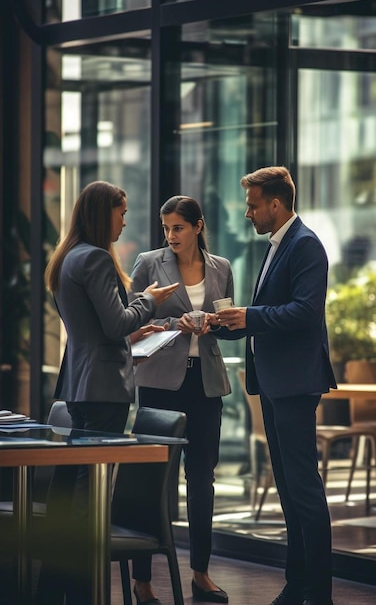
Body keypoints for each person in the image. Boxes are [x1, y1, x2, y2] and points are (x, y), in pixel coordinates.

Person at [40, 180, 178, 605]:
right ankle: (84, 590)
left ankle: (53, 589)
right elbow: (116, 324)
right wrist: (149, 300)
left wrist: (132, 326)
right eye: (121, 212)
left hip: (79, 385)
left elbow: (97, 328)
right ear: (104, 214)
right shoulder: (97, 258)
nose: (124, 220)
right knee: (90, 495)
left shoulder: (66, 259)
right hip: (104, 391)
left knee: (70, 493)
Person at [215, 166, 337, 605]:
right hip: (273, 383)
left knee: (303, 487)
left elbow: (304, 312)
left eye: (252, 205)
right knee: (288, 487)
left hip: (293, 385)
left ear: (276, 204)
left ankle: (317, 591)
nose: (247, 213)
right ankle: (297, 584)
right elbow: (267, 315)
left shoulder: (305, 246)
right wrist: (217, 325)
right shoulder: (278, 245)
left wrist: (248, 316)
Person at [129, 195, 233, 605]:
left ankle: (201, 573)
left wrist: (214, 323)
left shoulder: (221, 268)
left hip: (205, 383)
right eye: (166, 227)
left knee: (202, 479)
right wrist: (177, 322)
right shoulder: (148, 263)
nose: (171, 235)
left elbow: (228, 322)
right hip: (158, 383)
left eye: (179, 227)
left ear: (198, 226)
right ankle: (142, 581)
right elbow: (132, 319)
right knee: (152, 479)